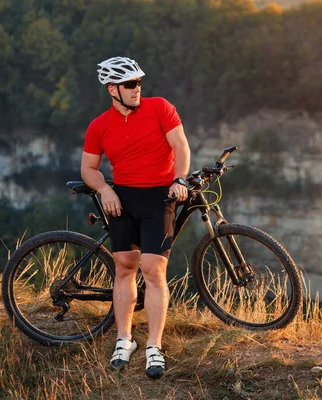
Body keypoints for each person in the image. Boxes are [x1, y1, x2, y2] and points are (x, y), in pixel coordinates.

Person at [81, 56, 190, 379]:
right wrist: (105, 190)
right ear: (112, 89)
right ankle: (124, 339)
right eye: (130, 84)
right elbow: (88, 168)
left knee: (153, 268)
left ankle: (154, 346)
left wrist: (179, 179)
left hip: (160, 196)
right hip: (122, 198)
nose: (136, 89)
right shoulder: (99, 126)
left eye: (139, 82)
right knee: (125, 266)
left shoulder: (160, 108)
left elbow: (180, 146)